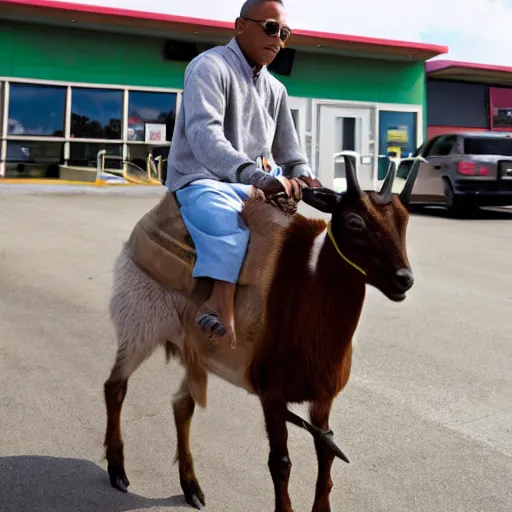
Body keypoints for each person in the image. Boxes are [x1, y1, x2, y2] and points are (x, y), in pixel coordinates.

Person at [165, 0, 320, 348]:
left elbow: (290, 153)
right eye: (270, 28)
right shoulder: (208, 66)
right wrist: (254, 176)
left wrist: (305, 176)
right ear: (239, 26)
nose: (278, 39)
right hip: (203, 180)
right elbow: (205, 136)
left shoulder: (277, 90)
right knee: (223, 216)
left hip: (255, 185)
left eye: (284, 33)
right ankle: (219, 304)